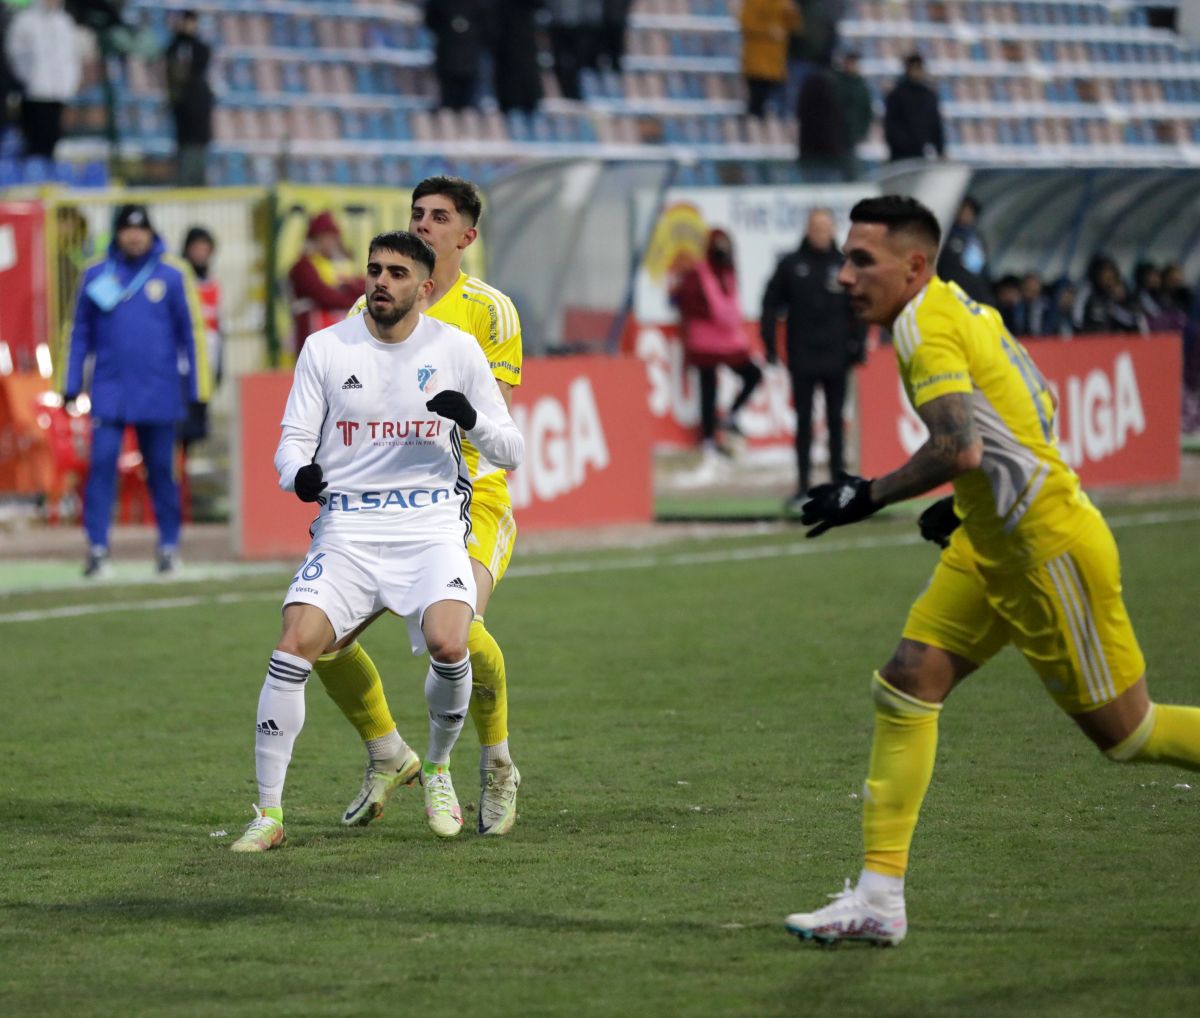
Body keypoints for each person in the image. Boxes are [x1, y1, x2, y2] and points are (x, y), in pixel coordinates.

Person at [784, 194, 1200, 945]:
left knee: (1130, 735)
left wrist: (866, 495)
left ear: (914, 266)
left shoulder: (923, 327)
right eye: (844, 259)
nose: (844, 276)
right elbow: (1036, 407)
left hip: (1043, 552)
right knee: (907, 683)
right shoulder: (962, 308)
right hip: (993, 540)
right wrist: (971, 504)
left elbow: (959, 447)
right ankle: (878, 900)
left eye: (861, 261)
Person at [229, 231, 524, 853]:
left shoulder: (457, 349)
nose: (381, 281)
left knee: (451, 641)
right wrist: (298, 474)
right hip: (349, 529)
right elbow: (292, 440)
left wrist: (471, 418)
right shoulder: (326, 348)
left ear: (426, 288)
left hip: (429, 525)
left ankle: (437, 769)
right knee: (295, 645)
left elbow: (511, 449)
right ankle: (269, 813)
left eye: (396, 272)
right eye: (374, 270)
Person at [323, 176, 527, 837]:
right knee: (321, 640)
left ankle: (497, 763)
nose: (424, 224)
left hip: (470, 494)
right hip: (383, 498)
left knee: (460, 633)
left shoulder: (489, 311)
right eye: (417, 213)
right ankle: (388, 751)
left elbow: (493, 423)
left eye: (439, 217)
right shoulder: (371, 306)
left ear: (467, 236)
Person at [62, 204, 210, 578]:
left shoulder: (172, 275)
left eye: (141, 229)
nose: (134, 236)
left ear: (150, 232)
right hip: (110, 391)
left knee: (161, 471)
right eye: (127, 229)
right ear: (117, 233)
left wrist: (198, 388)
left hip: (159, 392)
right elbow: (78, 332)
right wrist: (69, 383)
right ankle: (97, 549)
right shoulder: (96, 273)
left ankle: (169, 547)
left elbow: (192, 333)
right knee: (100, 467)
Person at [761, 208, 864, 510]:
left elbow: (860, 306)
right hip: (802, 356)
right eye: (815, 227)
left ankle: (838, 485)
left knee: (835, 422)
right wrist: (770, 345)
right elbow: (770, 304)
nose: (820, 232)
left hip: (837, 356)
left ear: (832, 230)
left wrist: (858, 344)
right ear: (807, 230)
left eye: (824, 227)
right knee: (804, 423)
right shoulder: (792, 265)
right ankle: (803, 486)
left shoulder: (844, 266)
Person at [670, 228, 763, 464]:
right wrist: (704, 313)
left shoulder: (728, 271)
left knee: (753, 374)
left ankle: (730, 415)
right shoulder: (698, 273)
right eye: (718, 245)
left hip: (728, 338)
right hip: (705, 339)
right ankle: (709, 440)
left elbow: (730, 305)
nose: (722, 250)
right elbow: (683, 299)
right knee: (708, 390)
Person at [5, 0, 82, 160]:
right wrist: (28, 77)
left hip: (58, 90)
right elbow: (15, 54)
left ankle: (47, 168)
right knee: (34, 137)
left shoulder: (64, 21)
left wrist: (70, 81)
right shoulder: (24, 20)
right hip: (34, 91)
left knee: (52, 136)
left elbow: (71, 55)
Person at [288, 211, 364, 355]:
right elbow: (324, 296)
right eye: (324, 237)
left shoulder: (345, 263)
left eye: (333, 237)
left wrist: (350, 287)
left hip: (343, 333)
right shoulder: (304, 266)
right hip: (313, 330)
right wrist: (355, 300)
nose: (330, 242)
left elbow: (364, 286)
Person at [179, 226, 221, 451]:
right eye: (196, 248)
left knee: (195, 427)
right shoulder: (181, 282)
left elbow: (217, 327)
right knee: (181, 426)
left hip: (207, 361)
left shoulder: (213, 284)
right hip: (184, 364)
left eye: (205, 248)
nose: (201, 253)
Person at [164, 9, 214, 186]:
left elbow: (199, 64)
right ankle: (185, 182)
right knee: (185, 148)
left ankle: (198, 182)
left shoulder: (199, 48)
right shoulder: (174, 47)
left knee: (198, 148)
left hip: (198, 107)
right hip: (182, 109)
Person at [740, 0, 801, 118]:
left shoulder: (783, 2)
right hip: (757, 60)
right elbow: (745, 23)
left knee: (771, 99)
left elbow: (794, 26)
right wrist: (768, 31)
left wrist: (792, 11)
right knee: (757, 99)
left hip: (775, 61)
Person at [425, 0, 486, 111]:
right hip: (451, 58)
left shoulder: (478, 5)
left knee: (466, 105)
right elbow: (431, 21)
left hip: (466, 59)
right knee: (452, 104)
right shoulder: (439, 4)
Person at [883, 53, 944, 162]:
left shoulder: (928, 95)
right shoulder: (896, 95)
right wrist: (901, 143)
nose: (916, 72)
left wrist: (940, 150)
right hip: (899, 154)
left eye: (918, 68)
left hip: (921, 152)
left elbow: (935, 124)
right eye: (913, 68)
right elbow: (891, 125)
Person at [936, 196, 992, 305]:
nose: (965, 214)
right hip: (947, 289)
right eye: (963, 210)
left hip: (970, 294)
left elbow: (984, 270)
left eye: (969, 212)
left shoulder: (977, 240)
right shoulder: (946, 233)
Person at [832, 50, 873, 181]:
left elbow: (866, 111)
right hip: (836, 133)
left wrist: (862, 131)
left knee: (851, 167)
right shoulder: (837, 83)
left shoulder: (861, 86)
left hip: (853, 134)